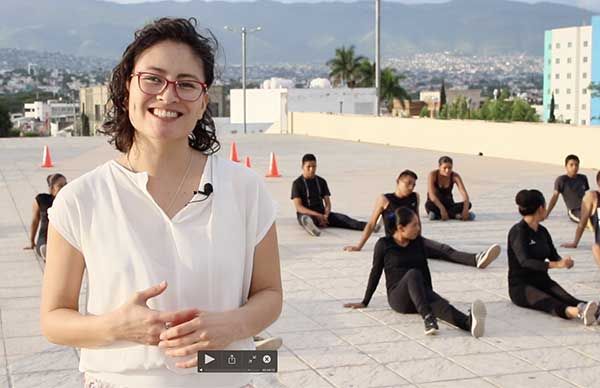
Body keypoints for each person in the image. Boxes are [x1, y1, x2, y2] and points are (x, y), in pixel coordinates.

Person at [40, 18, 282, 388]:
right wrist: (115, 326)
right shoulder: (81, 198)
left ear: (204, 101)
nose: (168, 96)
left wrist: (233, 325)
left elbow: (270, 294)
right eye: (152, 79)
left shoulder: (244, 188)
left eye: (186, 85)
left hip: (223, 378)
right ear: (127, 88)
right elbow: (54, 319)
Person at [344, 207, 487, 337]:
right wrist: (365, 301)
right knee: (413, 273)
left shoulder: (417, 243)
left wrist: (431, 294)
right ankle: (428, 318)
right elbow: (375, 272)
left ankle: (468, 323)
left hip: (418, 294)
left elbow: (425, 269)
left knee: (441, 305)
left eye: (418, 224)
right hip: (398, 298)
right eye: (414, 225)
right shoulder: (384, 244)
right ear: (401, 228)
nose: (418, 229)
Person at [344, 170, 500, 269]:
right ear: (398, 182)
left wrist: (419, 239)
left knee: (443, 249)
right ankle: (475, 259)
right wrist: (359, 246)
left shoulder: (414, 197)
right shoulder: (384, 199)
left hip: (413, 239)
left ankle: (475, 259)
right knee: (440, 251)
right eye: (408, 183)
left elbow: (417, 222)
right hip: (396, 243)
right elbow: (371, 224)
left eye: (414, 184)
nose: (411, 187)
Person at [508, 189, 597, 324]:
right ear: (540, 208)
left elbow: (553, 256)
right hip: (521, 286)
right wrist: (556, 265)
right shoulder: (518, 232)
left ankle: (592, 311)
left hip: (543, 280)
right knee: (548, 302)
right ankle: (579, 313)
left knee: (569, 298)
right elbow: (525, 262)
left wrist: (564, 262)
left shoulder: (543, 231)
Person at [291, 153, 372, 236]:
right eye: (308, 167)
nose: (312, 169)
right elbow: (299, 207)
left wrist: (325, 215)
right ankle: (312, 228)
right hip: (307, 214)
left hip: (322, 213)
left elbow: (327, 203)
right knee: (307, 219)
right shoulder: (297, 183)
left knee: (345, 219)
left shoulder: (321, 181)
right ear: (302, 167)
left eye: (314, 166)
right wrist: (317, 215)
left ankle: (371, 226)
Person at [561, 171, 600, 267]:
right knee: (596, 248)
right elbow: (582, 222)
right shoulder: (592, 197)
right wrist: (575, 243)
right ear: (598, 182)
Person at [24, 173, 67, 260]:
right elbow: (35, 221)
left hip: (63, 237)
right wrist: (32, 241)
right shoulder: (41, 199)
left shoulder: (69, 201)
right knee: (44, 247)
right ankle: (49, 254)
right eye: (60, 186)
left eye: (66, 184)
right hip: (45, 237)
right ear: (51, 189)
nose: (64, 188)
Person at [425, 156, 474, 221]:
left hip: (449, 204)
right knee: (428, 205)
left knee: (468, 204)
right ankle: (454, 215)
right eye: (444, 168)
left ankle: (438, 215)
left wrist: (465, 210)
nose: (447, 170)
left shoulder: (455, 176)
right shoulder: (433, 175)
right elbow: (431, 195)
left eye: (450, 168)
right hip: (435, 204)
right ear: (439, 167)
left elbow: (464, 193)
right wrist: (442, 209)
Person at [545, 154, 589, 223]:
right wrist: (547, 213)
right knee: (586, 221)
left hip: (587, 208)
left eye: (576, 165)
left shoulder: (583, 178)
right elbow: (554, 197)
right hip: (574, 210)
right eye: (571, 165)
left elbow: (586, 195)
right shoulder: (561, 180)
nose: (574, 167)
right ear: (566, 166)